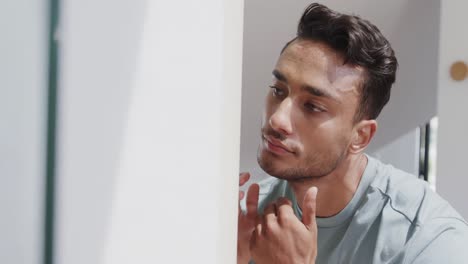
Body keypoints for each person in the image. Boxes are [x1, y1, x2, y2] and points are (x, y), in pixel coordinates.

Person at [237, 3, 468, 264]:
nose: (277, 118)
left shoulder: (429, 240)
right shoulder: (245, 218)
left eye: (313, 106)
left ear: (361, 137)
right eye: (278, 90)